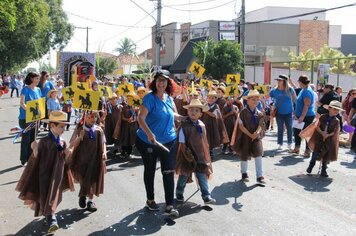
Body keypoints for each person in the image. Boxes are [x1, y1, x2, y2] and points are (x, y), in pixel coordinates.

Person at [15, 111, 74, 233]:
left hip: (57, 173)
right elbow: (36, 157)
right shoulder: (44, 141)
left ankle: (50, 216)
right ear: (52, 126)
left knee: (54, 194)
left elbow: (64, 158)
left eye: (64, 126)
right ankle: (51, 217)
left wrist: (68, 152)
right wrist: (34, 147)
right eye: (61, 127)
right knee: (45, 193)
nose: (63, 129)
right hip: (44, 173)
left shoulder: (62, 142)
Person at [135, 70, 184, 217]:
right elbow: (140, 118)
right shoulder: (149, 98)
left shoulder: (169, 98)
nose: (161, 83)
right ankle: (150, 200)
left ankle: (170, 205)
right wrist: (150, 134)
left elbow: (173, 115)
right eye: (158, 80)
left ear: (169, 83)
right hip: (148, 141)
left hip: (169, 141)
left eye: (164, 80)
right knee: (150, 170)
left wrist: (186, 118)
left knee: (168, 172)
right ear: (155, 82)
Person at [175, 99, 216, 205]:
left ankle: (206, 195)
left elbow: (203, 141)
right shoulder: (184, 125)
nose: (193, 112)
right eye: (191, 110)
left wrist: (204, 154)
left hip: (200, 155)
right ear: (188, 111)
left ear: (200, 114)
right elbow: (182, 142)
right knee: (184, 176)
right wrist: (187, 154)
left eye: (197, 110)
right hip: (187, 155)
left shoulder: (202, 125)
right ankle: (179, 194)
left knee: (202, 176)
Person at [70, 111, 107, 212]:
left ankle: (90, 201)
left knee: (92, 179)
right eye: (90, 117)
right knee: (83, 178)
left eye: (95, 117)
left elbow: (103, 142)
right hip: (81, 159)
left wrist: (104, 152)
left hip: (95, 159)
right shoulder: (80, 129)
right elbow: (72, 144)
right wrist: (79, 138)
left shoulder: (99, 130)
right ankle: (83, 194)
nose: (93, 119)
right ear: (85, 117)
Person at [231, 90, 266, 184]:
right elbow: (241, 126)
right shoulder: (243, 112)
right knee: (244, 155)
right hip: (245, 137)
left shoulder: (259, 112)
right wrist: (250, 135)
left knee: (258, 155)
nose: (255, 101)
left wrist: (257, 133)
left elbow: (261, 124)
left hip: (256, 137)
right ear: (248, 101)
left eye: (257, 99)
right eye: (253, 99)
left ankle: (259, 176)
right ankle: (244, 173)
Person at [305, 100, 343, 177]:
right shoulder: (323, 117)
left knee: (326, 155)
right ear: (329, 108)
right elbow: (317, 126)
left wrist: (328, 135)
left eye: (338, 110)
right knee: (315, 153)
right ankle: (311, 165)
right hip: (319, 138)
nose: (336, 111)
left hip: (329, 140)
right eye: (334, 109)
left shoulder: (337, 121)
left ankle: (324, 170)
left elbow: (336, 131)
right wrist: (322, 133)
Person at [19, 72, 42, 166]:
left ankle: (30, 158)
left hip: (36, 118)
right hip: (25, 118)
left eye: (39, 78)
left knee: (33, 139)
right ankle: (23, 159)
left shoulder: (38, 89)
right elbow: (22, 103)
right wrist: (29, 110)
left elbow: (40, 103)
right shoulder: (25, 89)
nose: (38, 80)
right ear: (32, 78)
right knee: (26, 139)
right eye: (37, 78)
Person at [289, 75, 316, 157]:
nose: (298, 84)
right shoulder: (303, 89)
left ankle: (308, 151)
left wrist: (302, 117)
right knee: (296, 132)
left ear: (300, 82)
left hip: (307, 116)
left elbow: (306, 105)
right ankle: (297, 148)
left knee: (306, 133)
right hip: (299, 115)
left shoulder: (307, 91)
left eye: (299, 82)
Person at [269, 74, 296, 150]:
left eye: (279, 80)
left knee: (289, 128)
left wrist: (296, 111)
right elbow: (268, 96)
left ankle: (289, 143)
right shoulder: (274, 90)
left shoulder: (290, 90)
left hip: (289, 112)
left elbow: (295, 100)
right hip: (279, 112)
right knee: (280, 128)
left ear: (284, 81)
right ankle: (280, 143)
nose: (278, 82)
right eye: (277, 80)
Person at [201, 90, 229, 158]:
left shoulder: (216, 106)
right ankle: (205, 152)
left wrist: (206, 111)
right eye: (209, 97)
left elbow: (214, 115)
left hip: (212, 125)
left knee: (211, 137)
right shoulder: (205, 105)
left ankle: (210, 152)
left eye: (212, 98)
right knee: (205, 137)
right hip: (205, 123)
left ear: (215, 99)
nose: (210, 99)